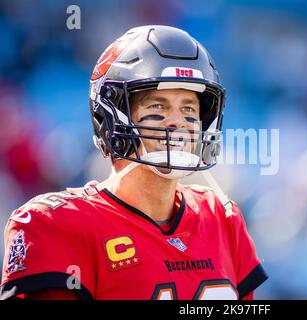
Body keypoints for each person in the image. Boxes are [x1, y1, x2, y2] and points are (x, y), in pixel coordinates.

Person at [0, 25, 268, 300]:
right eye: (157, 106)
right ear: (112, 118)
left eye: (188, 107)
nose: (177, 121)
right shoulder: (57, 223)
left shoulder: (222, 217)